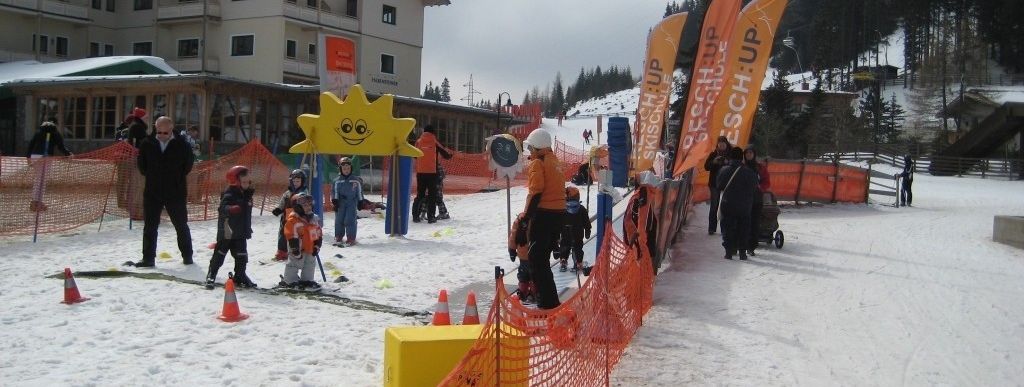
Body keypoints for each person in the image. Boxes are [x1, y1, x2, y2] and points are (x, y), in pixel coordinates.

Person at [135, 116, 195, 267]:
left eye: (165, 133)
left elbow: (187, 166)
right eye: (159, 132)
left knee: (181, 225)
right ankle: (148, 258)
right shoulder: (147, 144)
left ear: (171, 130)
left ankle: (187, 256)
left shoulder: (182, 145)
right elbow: (142, 167)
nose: (162, 136)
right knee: (150, 226)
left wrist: (174, 179)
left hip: (175, 191)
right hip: (152, 191)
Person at [518, 128, 565, 309]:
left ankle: (548, 303)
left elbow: (536, 192)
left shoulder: (538, 163)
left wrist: (525, 220)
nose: (530, 152)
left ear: (537, 147)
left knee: (537, 260)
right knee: (542, 259)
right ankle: (549, 299)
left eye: (531, 149)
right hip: (557, 214)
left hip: (543, 215)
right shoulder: (555, 161)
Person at [205, 166, 257, 289]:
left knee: (242, 256)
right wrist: (230, 209)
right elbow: (222, 208)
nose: (247, 184)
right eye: (244, 182)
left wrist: (247, 228)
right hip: (227, 231)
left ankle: (240, 275)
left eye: (248, 182)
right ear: (236, 182)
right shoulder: (229, 194)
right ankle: (211, 274)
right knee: (220, 254)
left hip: (240, 231)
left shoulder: (247, 194)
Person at [716, 146, 758, 260]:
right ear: (742, 157)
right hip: (745, 205)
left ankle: (729, 251)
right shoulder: (750, 172)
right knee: (744, 228)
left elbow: (719, 186)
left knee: (727, 227)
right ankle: (742, 252)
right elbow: (754, 187)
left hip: (728, 203)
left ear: (730, 157)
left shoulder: (724, 170)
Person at [280, 192, 323, 292]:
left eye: (309, 205)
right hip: (297, 246)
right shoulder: (293, 221)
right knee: (294, 263)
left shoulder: (314, 219)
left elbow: (318, 233)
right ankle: (290, 281)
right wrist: (295, 248)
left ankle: (307, 280)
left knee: (310, 263)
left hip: (310, 247)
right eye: (304, 205)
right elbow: (291, 234)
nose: (308, 207)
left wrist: (317, 245)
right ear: (297, 207)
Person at [412, 125, 452, 223]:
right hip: (432, 172)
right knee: (432, 196)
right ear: (433, 132)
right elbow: (445, 154)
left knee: (420, 195)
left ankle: (415, 217)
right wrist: (451, 155)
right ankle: (431, 217)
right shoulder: (434, 141)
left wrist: (422, 161)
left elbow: (414, 154)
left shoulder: (418, 141)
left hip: (420, 172)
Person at [271, 169, 308, 261]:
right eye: (294, 181)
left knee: (296, 235)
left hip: (298, 218)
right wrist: (278, 209)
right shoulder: (288, 193)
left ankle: (297, 250)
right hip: (286, 218)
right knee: (283, 234)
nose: (295, 183)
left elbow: (307, 204)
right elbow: (283, 202)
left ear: (302, 181)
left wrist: (305, 213)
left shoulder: (304, 192)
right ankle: (281, 252)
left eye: (298, 181)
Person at [743, 147, 770, 256]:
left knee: (754, 223)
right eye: (747, 153)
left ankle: (751, 247)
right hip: (743, 199)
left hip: (756, 199)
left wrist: (760, 187)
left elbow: (767, 182)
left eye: (751, 153)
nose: (749, 155)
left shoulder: (760, 167)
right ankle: (741, 245)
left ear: (754, 154)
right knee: (743, 223)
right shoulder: (741, 166)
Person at [332, 157, 363, 246]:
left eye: (348, 168)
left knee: (350, 219)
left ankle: (351, 238)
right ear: (340, 169)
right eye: (344, 169)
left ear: (351, 168)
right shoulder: (337, 180)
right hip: (341, 202)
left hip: (351, 202)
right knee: (339, 219)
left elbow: (359, 192)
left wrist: (361, 201)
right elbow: (335, 191)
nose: (346, 170)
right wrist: (335, 201)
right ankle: (338, 236)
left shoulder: (356, 180)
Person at [704, 135, 732, 235]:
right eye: (720, 144)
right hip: (714, 183)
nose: (721, 146)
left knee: (725, 206)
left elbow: (735, 165)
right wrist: (714, 162)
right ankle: (711, 228)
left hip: (727, 183)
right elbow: (706, 167)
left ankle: (725, 228)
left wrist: (727, 162)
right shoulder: (713, 154)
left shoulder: (731, 154)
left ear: (726, 144)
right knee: (714, 206)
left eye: (723, 144)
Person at [559, 186, 591, 272]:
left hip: (565, 233)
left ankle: (563, 261)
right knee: (578, 248)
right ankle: (578, 263)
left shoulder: (563, 209)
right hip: (578, 233)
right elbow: (586, 221)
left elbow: (558, 221)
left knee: (564, 246)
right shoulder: (581, 209)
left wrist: (557, 232)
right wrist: (588, 230)